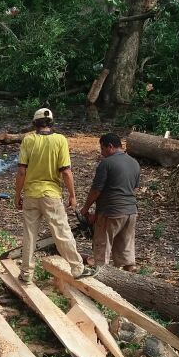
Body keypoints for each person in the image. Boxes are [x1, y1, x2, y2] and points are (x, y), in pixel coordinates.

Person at [14, 107, 94, 283]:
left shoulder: (28, 139)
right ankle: (77, 268)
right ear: (51, 123)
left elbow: (21, 171)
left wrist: (17, 194)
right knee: (62, 232)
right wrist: (72, 195)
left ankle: (26, 273)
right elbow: (66, 171)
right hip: (51, 194)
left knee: (29, 234)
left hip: (31, 194)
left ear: (35, 124)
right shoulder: (60, 140)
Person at [81, 132, 141, 272]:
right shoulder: (134, 163)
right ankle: (130, 273)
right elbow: (135, 188)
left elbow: (96, 189)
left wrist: (86, 208)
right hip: (131, 212)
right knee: (125, 246)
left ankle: (101, 275)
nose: (102, 153)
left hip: (111, 212)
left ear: (110, 146)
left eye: (102, 149)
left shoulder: (106, 164)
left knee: (102, 246)